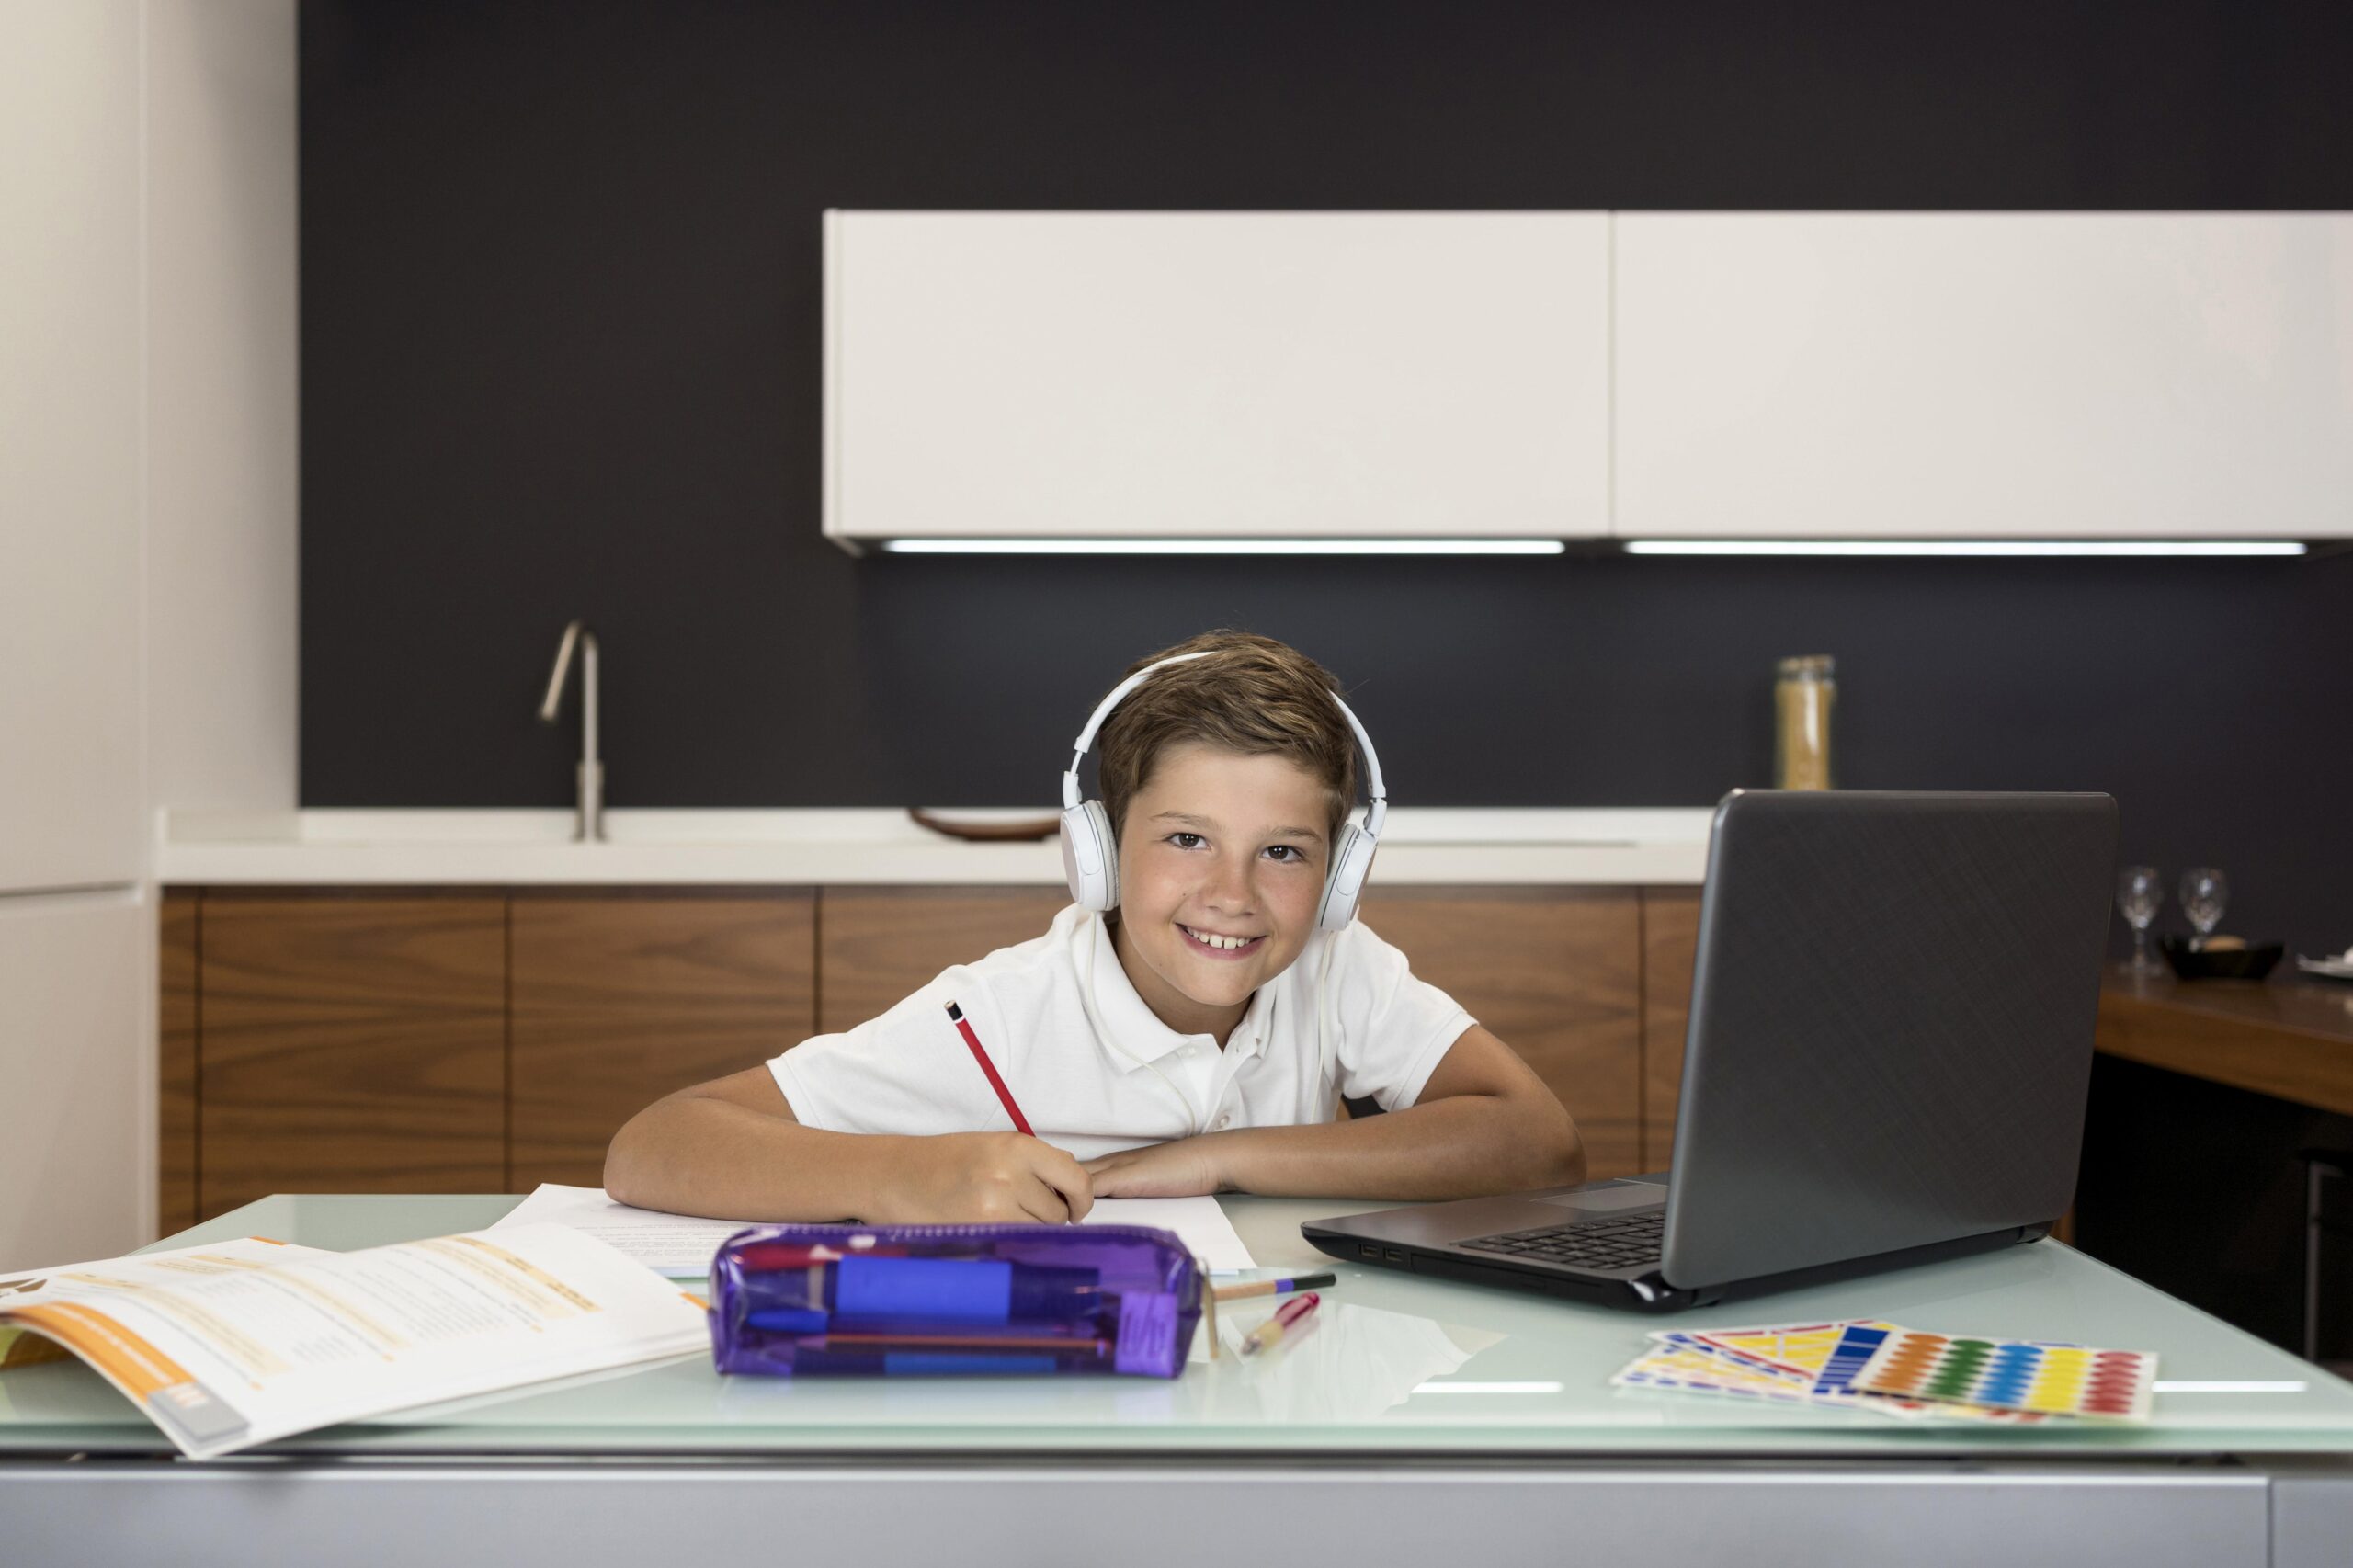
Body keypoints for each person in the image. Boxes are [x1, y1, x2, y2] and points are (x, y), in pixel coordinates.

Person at [604, 630, 1585, 1222]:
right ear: (1100, 854)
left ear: (1338, 879)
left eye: (1283, 851)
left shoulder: (1335, 966)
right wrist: (908, 1171)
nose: (1233, 892)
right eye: (1188, 837)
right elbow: (654, 1143)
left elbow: (1536, 1139)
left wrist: (1215, 1157)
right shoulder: (991, 1014)